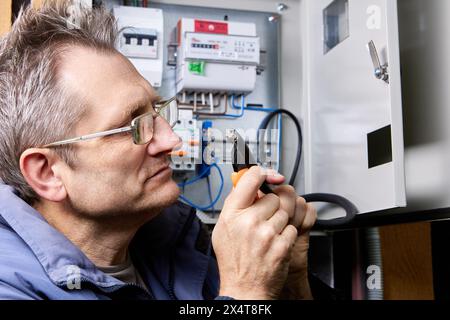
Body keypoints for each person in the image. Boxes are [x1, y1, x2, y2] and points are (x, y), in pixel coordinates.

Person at [0, 1, 317, 300]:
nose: (172, 141)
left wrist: (287, 275)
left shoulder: (179, 241)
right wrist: (246, 290)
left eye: (158, 112)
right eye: (135, 126)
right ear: (47, 172)